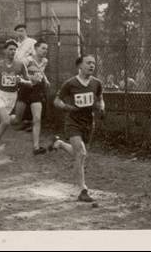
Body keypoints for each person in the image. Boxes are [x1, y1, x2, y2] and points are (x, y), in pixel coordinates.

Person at [48, 54, 105, 202]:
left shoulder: (97, 83)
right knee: (81, 153)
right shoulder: (70, 83)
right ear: (80, 65)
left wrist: (102, 108)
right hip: (73, 122)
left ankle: (59, 144)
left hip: (88, 123)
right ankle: (82, 189)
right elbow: (56, 100)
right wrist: (66, 107)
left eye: (93, 63)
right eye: (88, 63)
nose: (92, 65)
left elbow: (100, 99)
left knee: (78, 152)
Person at [14, 39, 51, 155]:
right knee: (16, 119)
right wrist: (30, 78)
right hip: (25, 89)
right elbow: (18, 75)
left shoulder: (45, 61)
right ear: (35, 48)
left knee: (37, 119)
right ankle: (2, 119)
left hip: (36, 90)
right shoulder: (27, 60)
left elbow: (41, 71)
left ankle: (36, 147)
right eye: (43, 48)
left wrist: (45, 79)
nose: (45, 51)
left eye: (46, 49)